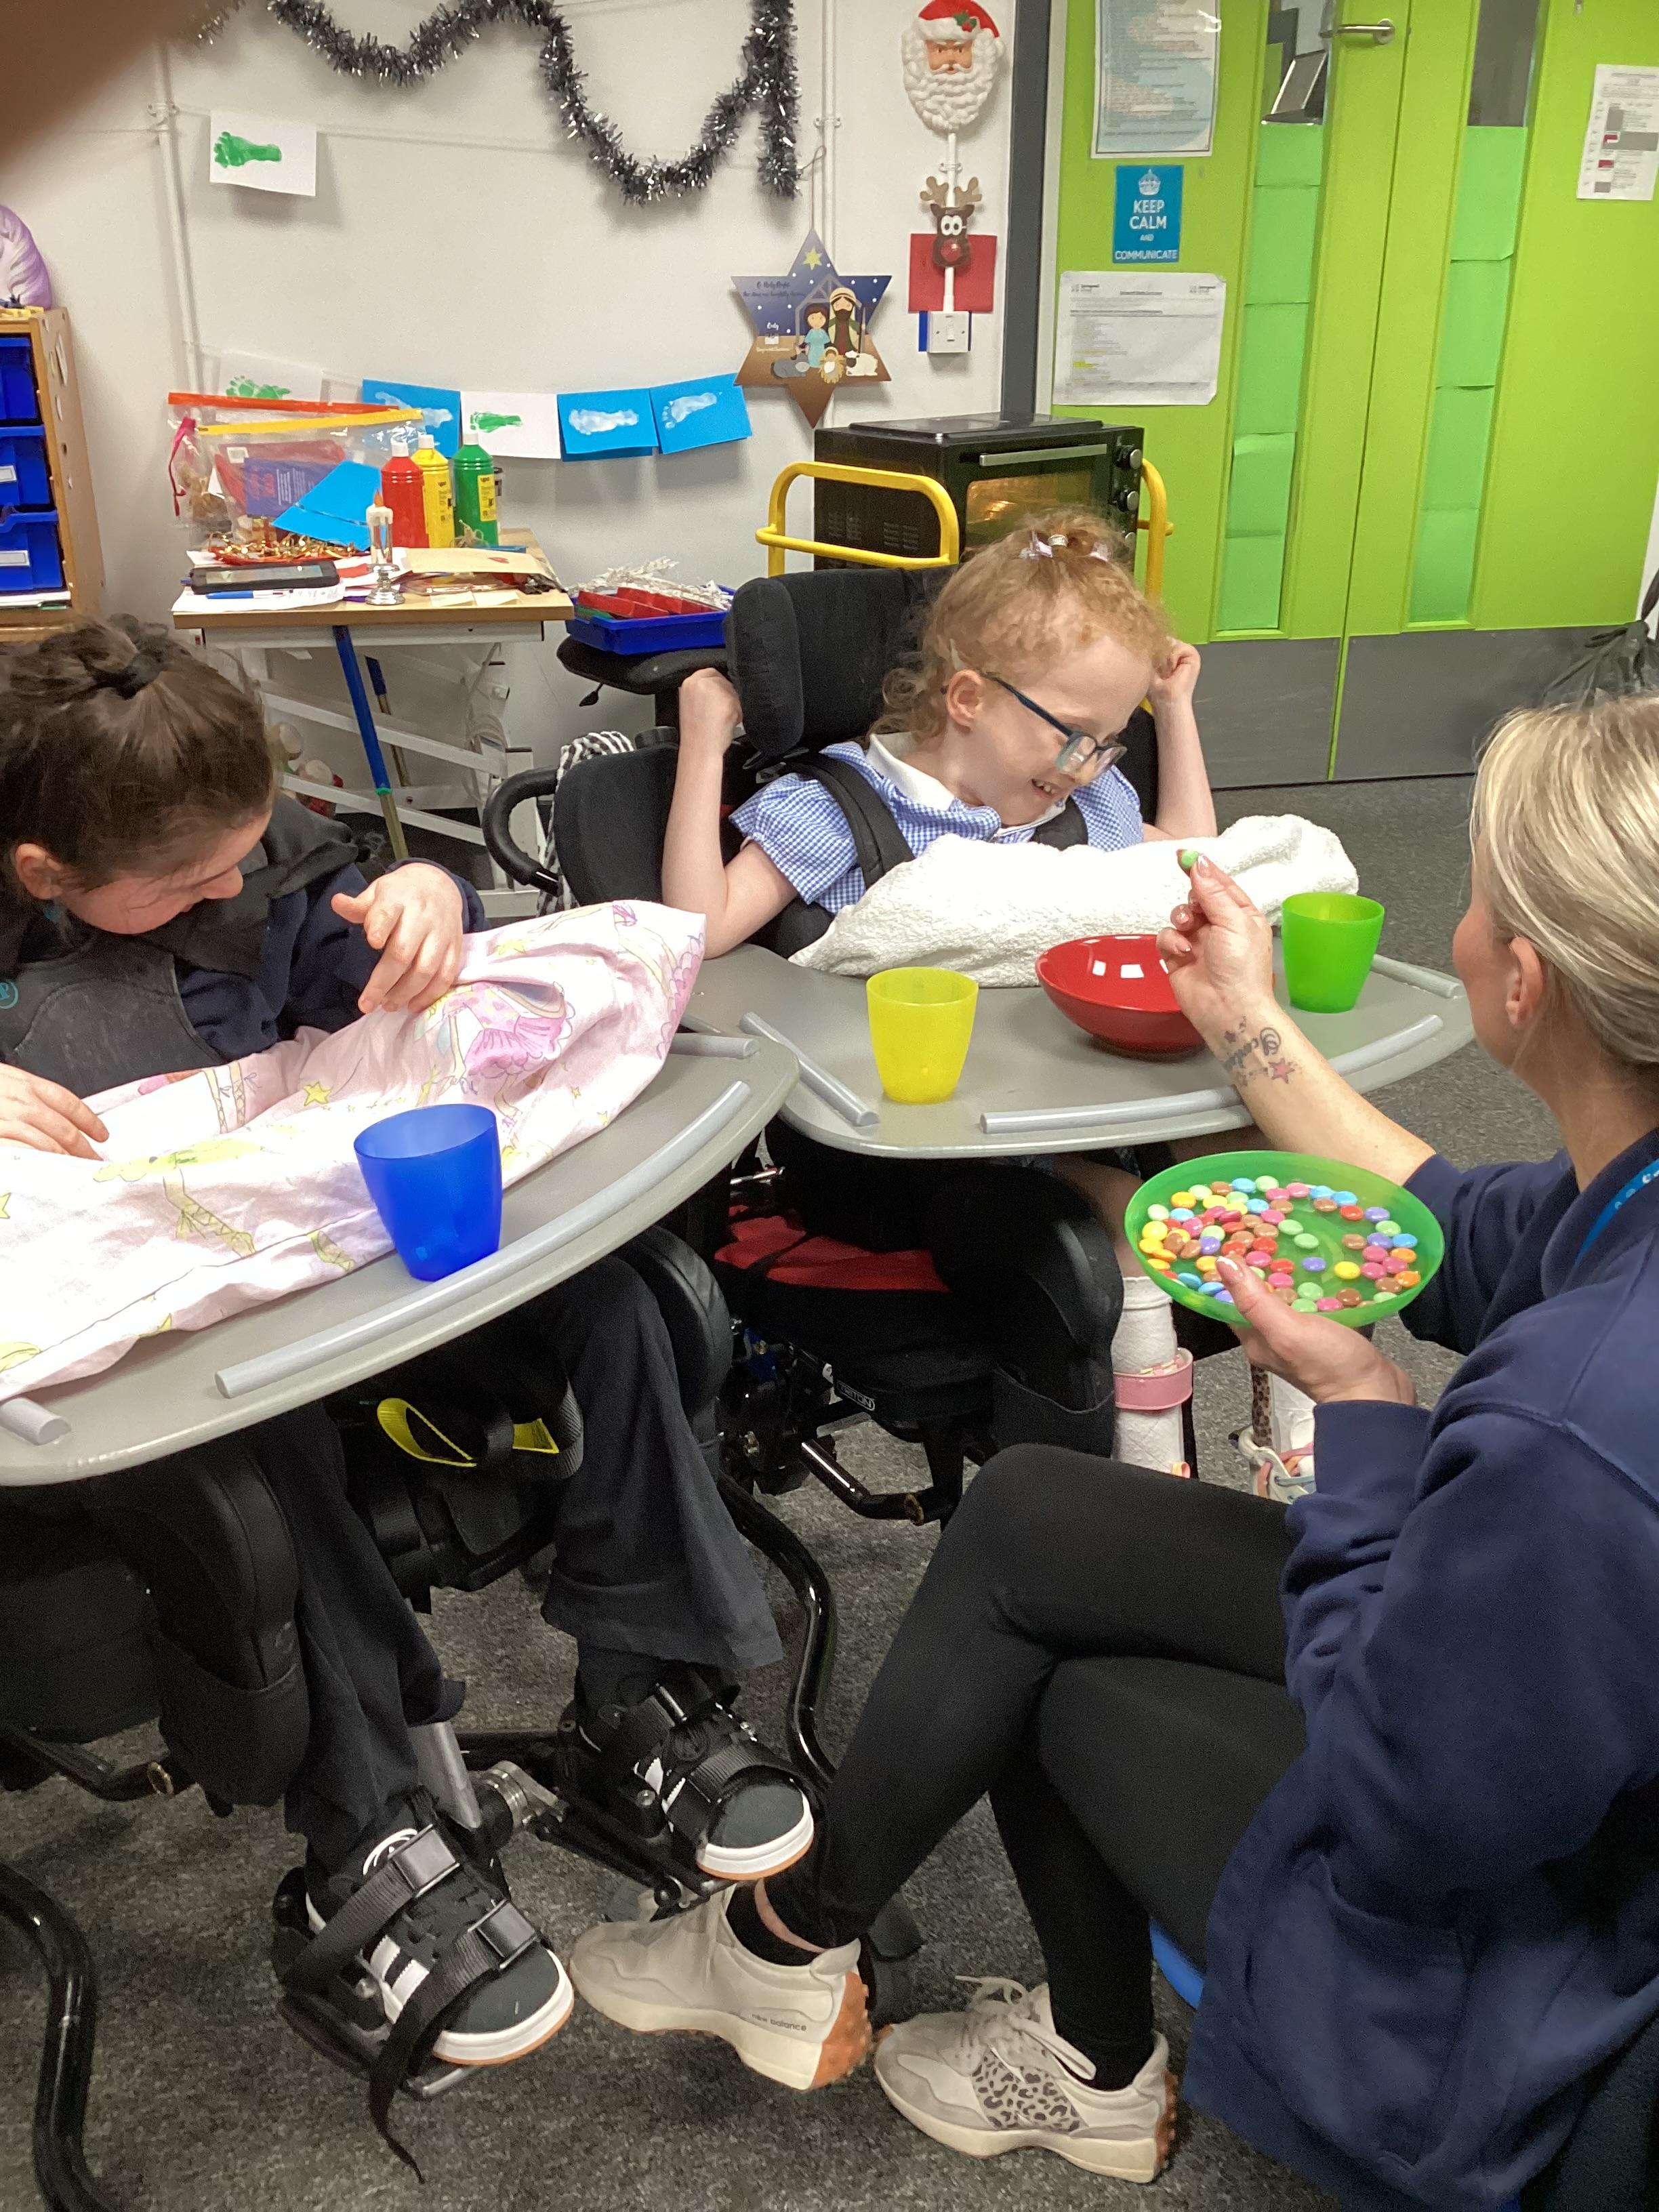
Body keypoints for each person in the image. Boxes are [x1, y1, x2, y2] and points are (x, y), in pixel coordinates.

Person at [572, 693, 1659, 2209]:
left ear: (1523, 981)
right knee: (1031, 1514)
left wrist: (1364, 1420)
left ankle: (1088, 2066)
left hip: (1557, 1955)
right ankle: (783, 1948)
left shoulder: (1572, 1419)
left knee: (1043, 1675)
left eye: (1472, 902)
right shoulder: (1631, 1208)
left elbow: (1416, 1802)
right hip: (1564, 1719)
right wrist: (1245, 1020)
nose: (1458, 927)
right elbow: (1462, 1231)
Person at [0, 619, 810, 2084]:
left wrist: (430, 897)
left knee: (627, 1303)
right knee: (259, 1450)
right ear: (45, 875)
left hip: (344, 1259)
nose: (234, 889)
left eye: (247, 853)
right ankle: (363, 1832)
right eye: (190, 884)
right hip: (166, 1364)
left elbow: (357, 935)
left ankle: (640, 1700)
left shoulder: (239, 842)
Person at [663, 511, 1219, 1471]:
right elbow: (698, 929)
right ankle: (1132, 1487)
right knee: (1123, 1223)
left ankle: (1301, 1447)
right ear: (968, 698)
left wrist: (1174, 711)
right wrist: (703, 745)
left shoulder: (1078, 799)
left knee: (1261, 1171)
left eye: (1108, 742)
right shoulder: (841, 809)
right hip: (904, 1158)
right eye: (1074, 737)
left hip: (1065, 1109)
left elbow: (1186, 866)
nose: (1087, 766)